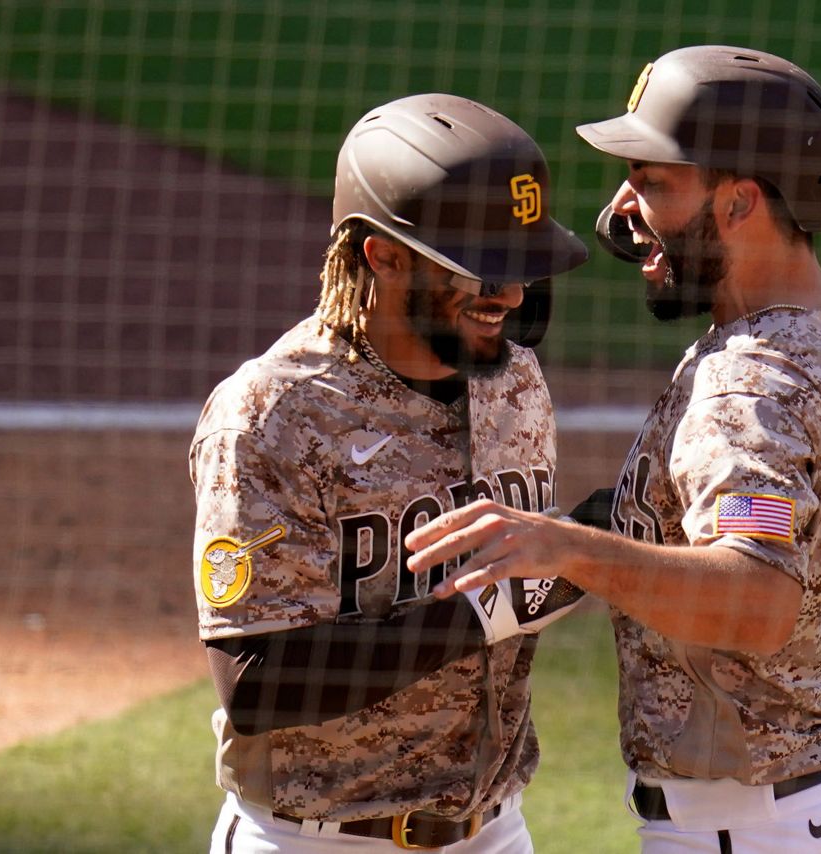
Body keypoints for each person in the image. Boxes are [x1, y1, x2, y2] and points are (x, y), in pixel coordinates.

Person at [404, 46, 821, 853]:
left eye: (654, 182)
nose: (621, 210)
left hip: (763, 830)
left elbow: (756, 600)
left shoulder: (744, 391)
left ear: (742, 202)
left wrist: (566, 547)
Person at [189, 93, 588, 853]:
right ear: (383, 253)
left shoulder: (516, 381)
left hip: (495, 830)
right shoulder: (275, 415)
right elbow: (253, 679)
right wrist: (494, 607)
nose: (508, 295)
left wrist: (585, 548)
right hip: (321, 838)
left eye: (518, 267)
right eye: (480, 269)